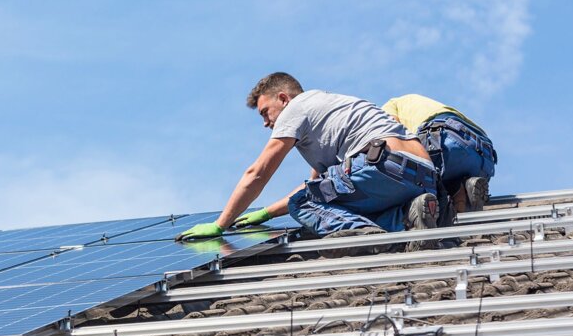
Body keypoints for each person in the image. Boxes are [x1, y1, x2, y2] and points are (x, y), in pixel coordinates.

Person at [176, 72, 439, 251]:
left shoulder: (296, 109)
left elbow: (258, 172)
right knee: (332, 201)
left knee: (303, 203)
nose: (266, 123)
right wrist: (267, 213)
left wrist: (221, 224)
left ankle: (365, 237)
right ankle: (409, 215)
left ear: (283, 98)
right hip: (424, 175)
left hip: (381, 166)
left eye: (265, 113)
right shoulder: (330, 108)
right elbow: (320, 185)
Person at [381, 94, 496, 216]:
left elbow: (392, 134)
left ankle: (448, 204)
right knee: (441, 179)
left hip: (444, 142)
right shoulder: (413, 102)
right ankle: (463, 189)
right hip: (484, 157)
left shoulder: (388, 106)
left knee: (414, 180)